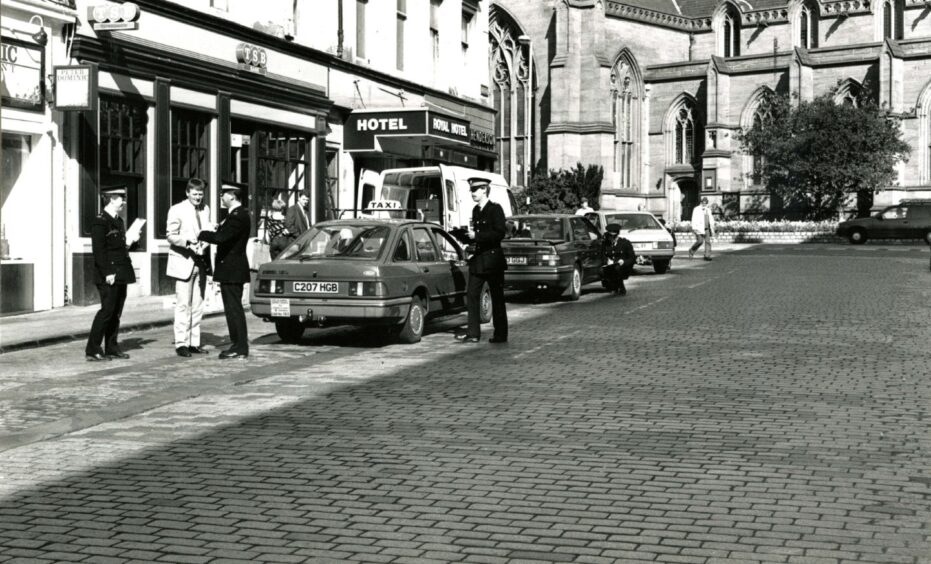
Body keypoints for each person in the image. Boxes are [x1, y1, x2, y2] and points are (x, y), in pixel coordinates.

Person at [85, 185, 140, 361]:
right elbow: (99, 251)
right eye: (119, 198)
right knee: (106, 312)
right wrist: (108, 272)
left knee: (116, 312)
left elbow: (119, 247)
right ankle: (93, 349)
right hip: (108, 275)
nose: (123, 202)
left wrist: (131, 241)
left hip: (120, 272)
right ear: (110, 199)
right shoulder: (100, 221)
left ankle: (111, 347)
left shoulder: (119, 221)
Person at [198, 185, 252, 359]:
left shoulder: (237, 216)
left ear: (232, 196)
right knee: (232, 309)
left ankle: (240, 347)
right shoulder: (236, 215)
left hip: (232, 269)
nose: (221, 198)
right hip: (232, 269)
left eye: (223, 195)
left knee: (233, 309)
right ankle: (238, 344)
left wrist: (201, 233)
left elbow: (222, 238)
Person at [455, 178, 508, 344]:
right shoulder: (475, 211)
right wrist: (464, 238)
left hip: (492, 260)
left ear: (485, 189)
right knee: (472, 294)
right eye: (471, 190)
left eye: (475, 190)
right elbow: (478, 237)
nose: (472, 193)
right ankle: (473, 333)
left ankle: (500, 334)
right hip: (479, 260)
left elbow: (499, 233)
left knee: (497, 298)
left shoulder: (495, 209)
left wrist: (477, 236)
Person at [166, 177, 212, 358]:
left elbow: (207, 230)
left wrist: (205, 243)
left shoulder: (206, 209)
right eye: (195, 194)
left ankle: (194, 342)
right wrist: (188, 243)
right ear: (187, 193)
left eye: (200, 194)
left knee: (198, 305)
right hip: (183, 261)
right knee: (183, 304)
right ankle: (181, 343)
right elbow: (170, 235)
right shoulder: (177, 209)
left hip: (200, 262)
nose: (198, 198)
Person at [601, 223, 636, 295]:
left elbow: (632, 258)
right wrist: (607, 260)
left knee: (617, 269)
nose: (611, 238)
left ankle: (620, 286)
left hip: (623, 266)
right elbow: (602, 255)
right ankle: (612, 286)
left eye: (613, 237)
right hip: (610, 265)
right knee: (601, 270)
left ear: (617, 235)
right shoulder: (605, 244)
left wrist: (624, 261)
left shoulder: (625, 243)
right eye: (610, 236)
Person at [689, 196, 715, 261]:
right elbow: (693, 218)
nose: (704, 204)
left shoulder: (708, 210)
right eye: (703, 203)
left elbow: (711, 219)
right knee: (700, 241)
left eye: (705, 203)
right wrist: (694, 227)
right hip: (699, 228)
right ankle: (692, 250)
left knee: (708, 242)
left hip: (707, 228)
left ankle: (707, 256)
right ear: (701, 202)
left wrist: (712, 226)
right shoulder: (696, 209)